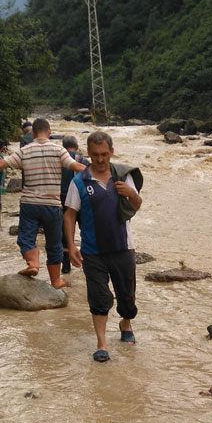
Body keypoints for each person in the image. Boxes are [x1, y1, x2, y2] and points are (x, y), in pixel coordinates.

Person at [0, 118, 86, 287]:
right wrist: (102, 175)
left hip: (30, 204)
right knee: (54, 245)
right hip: (52, 205)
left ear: (32, 133)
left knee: (26, 239)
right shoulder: (59, 150)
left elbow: (0, 164)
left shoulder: (25, 151)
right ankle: (55, 281)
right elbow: (76, 166)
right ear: (50, 132)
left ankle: (33, 264)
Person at [64, 129, 143, 362]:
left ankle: (125, 323)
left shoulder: (123, 176)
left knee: (127, 297)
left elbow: (137, 205)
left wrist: (130, 193)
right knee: (98, 298)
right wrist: (71, 246)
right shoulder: (80, 181)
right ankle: (101, 343)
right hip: (92, 251)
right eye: (95, 155)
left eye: (104, 154)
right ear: (88, 153)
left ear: (112, 152)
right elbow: (69, 215)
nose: (100, 160)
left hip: (123, 247)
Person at [59, 134, 86, 278]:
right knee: (85, 231)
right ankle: (86, 264)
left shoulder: (59, 160)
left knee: (65, 233)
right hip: (81, 199)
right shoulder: (83, 160)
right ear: (76, 147)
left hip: (62, 199)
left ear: (63, 147)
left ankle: (66, 267)